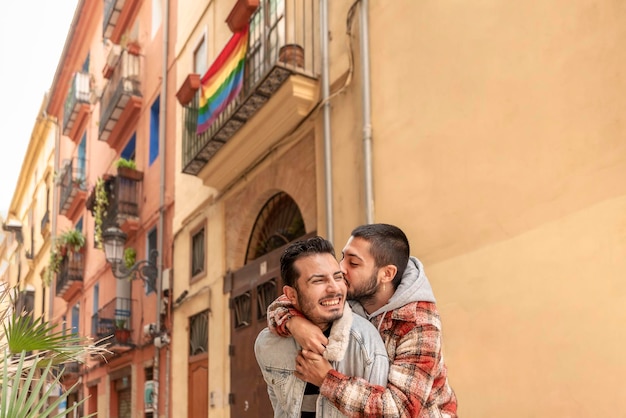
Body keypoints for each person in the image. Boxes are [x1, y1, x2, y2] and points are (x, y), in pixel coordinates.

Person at [267, 224, 458, 417]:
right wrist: (293, 322)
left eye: (354, 263)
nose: (341, 268)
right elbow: (289, 300)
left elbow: (399, 410)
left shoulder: (418, 324)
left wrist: (326, 379)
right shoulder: (353, 290)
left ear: (387, 274)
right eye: (343, 257)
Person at [255, 236, 390, 418]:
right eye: (318, 281)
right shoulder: (268, 344)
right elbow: (280, 409)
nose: (334, 288)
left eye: (338, 277)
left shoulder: (364, 343)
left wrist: (328, 379)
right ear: (291, 295)